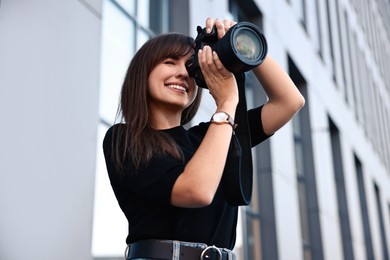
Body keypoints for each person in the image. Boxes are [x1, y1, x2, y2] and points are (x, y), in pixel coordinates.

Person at [103, 18, 305, 260]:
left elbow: (290, 102)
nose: (181, 73)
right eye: (169, 62)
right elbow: (196, 191)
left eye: (190, 67)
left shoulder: (210, 136)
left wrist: (238, 40)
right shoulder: (124, 138)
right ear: (142, 74)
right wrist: (227, 103)